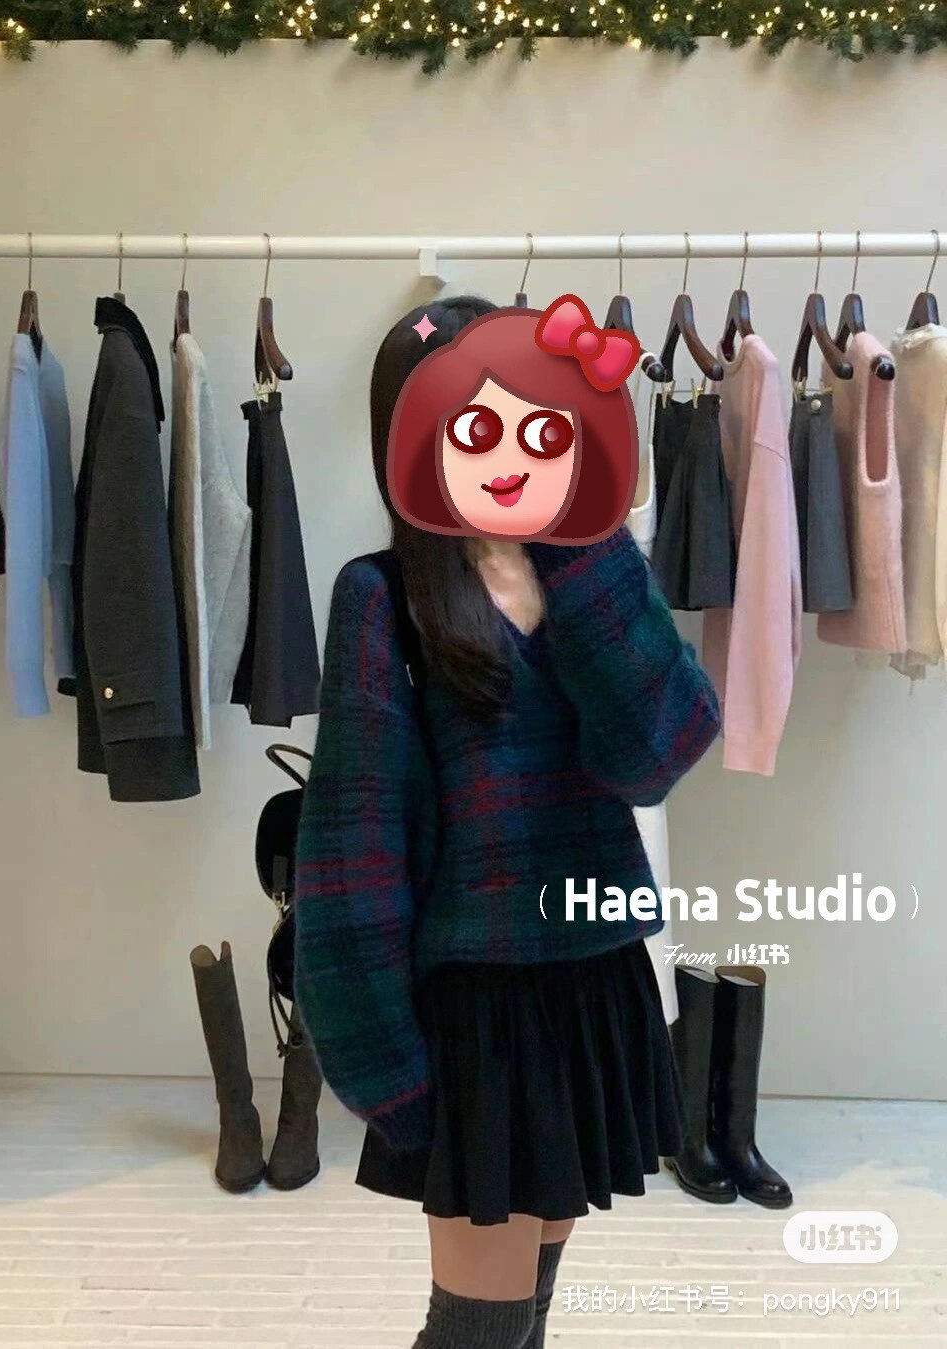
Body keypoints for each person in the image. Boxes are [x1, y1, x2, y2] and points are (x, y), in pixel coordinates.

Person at [293, 296, 721, 1348]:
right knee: (476, 1328)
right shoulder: (382, 597)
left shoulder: (593, 571)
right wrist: (372, 1046)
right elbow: (351, 846)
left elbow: (661, 746)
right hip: (477, 1011)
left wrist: (579, 548)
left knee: (526, 1311)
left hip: (593, 983)